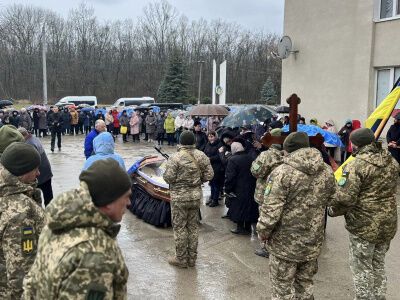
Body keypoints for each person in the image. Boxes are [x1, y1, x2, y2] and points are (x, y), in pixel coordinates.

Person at [23, 159, 131, 299]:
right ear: (109, 201)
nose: (129, 203)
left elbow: (32, 283)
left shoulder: (57, 224)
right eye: (126, 196)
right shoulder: (95, 254)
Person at [257, 132, 336, 300]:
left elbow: (271, 210)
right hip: (312, 240)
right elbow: (333, 199)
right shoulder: (326, 170)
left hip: (285, 244)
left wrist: (262, 232)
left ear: (288, 149)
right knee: (305, 286)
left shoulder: (282, 173)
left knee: (282, 290)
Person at [328, 128, 399, 300]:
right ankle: (379, 296)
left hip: (364, 225)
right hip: (387, 222)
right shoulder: (390, 160)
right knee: (378, 263)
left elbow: (345, 198)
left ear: (354, 144)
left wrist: (331, 210)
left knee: (361, 266)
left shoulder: (355, 165)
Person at [0, 142, 45, 299]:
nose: (39, 173)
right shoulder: (19, 212)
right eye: (35, 169)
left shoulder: (7, 191)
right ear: (22, 172)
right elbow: (21, 272)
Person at [163, 131, 213, 268]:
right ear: (194, 142)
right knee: (193, 227)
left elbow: (168, 178)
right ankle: (192, 259)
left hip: (179, 198)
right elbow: (210, 174)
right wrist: (197, 180)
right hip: (196, 197)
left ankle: (181, 259)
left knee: (180, 228)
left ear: (180, 142)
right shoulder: (201, 155)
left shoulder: (175, 157)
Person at [250, 128, 283, 258]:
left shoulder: (266, 155)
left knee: (266, 221)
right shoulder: (287, 153)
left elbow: (255, 171)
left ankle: (266, 248)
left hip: (266, 193)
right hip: (283, 194)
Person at [224, 141, 258, 234]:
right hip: (251, 186)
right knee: (248, 207)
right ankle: (247, 227)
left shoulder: (233, 159)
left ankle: (239, 228)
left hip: (238, 187)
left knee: (239, 208)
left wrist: (227, 188)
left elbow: (230, 176)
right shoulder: (250, 158)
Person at [18, 128, 54, 206]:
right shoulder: (34, 138)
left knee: (35, 197)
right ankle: (51, 213)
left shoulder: (29, 144)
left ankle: (41, 214)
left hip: (39, 173)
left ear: (22, 135)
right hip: (46, 170)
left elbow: (31, 162)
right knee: (48, 195)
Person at [204, 131, 224, 207]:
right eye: (209, 136)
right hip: (210, 167)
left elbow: (220, 156)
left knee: (216, 184)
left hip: (217, 167)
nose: (210, 138)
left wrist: (211, 158)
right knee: (211, 183)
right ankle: (212, 198)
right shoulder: (208, 144)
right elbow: (205, 152)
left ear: (215, 137)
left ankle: (215, 200)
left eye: (212, 136)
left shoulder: (219, 144)